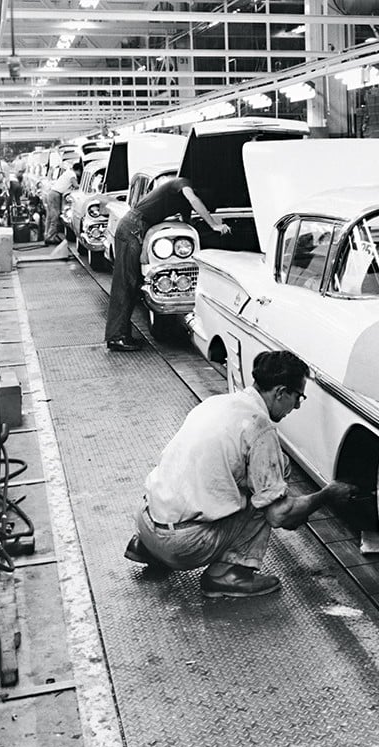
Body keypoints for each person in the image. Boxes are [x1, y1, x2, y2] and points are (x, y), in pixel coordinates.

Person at [125, 350, 358, 598]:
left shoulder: (216, 403)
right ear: (280, 392)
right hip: (181, 545)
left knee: (267, 471)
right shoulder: (259, 428)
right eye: (298, 396)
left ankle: (147, 549)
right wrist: (326, 495)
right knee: (267, 503)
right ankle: (229, 575)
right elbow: (280, 517)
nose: (298, 405)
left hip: (146, 521)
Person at [104, 176, 231, 352]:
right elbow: (194, 200)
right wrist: (214, 225)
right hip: (132, 228)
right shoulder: (183, 184)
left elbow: (187, 223)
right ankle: (116, 337)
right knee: (126, 283)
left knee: (130, 284)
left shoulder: (180, 198)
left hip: (136, 227)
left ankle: (121, 335)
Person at [43, 160, 81, 245]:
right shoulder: (72, 174)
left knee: (49, 216)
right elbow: (76, 186)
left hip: (52, 193)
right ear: (78, 170)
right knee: (55, 217)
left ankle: (47, 235)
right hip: (56, 195)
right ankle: (50, 238)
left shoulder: (67, 172)